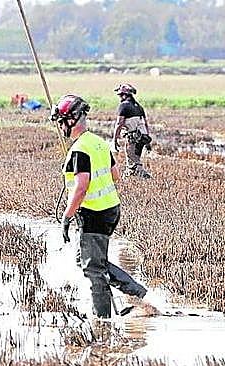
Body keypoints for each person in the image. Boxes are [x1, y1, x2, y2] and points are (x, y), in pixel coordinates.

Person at [52, 93, 159, 323]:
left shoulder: (80, 150)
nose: (60, 127)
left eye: (61, 122)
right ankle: (135, 292)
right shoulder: (97, 142)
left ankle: (103, 320)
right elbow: (115, 175)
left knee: (93, 269)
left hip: (94, 215)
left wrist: (67, 216)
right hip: (111, 209)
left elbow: (81, 187)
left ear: (71, 120)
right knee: (87, 259)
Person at [112, 83, 152, 179]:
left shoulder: (124, 106)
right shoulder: (139, 107)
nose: (120, 97)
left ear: (125, 95)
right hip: (143, 138)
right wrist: (147, 142)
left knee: (133, 162)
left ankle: (145, 177)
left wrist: (114, 139)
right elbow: (145, 124)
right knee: (134, 159)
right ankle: (131, 178)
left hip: (133, 138)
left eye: (120, 95)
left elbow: (119, 124)